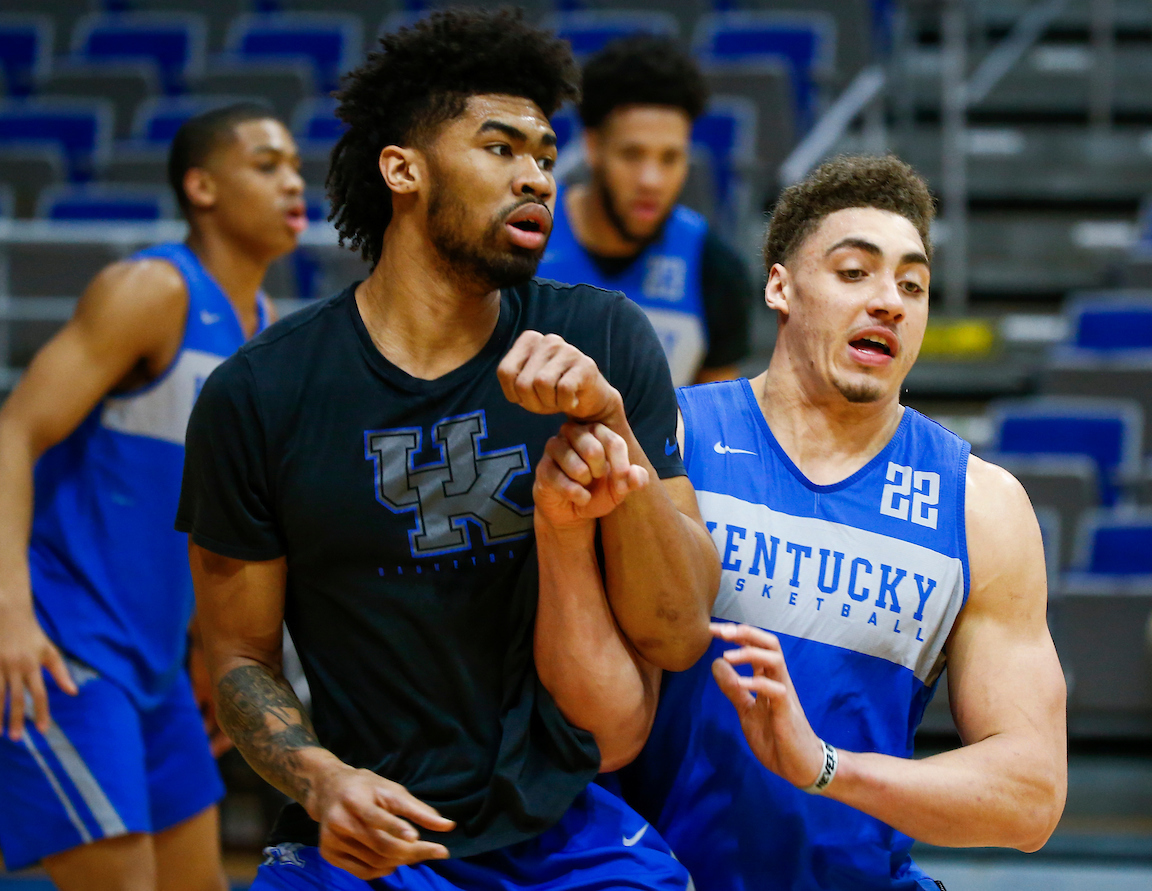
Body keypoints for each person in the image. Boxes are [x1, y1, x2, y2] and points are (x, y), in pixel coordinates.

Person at [174, 10, 718, 891]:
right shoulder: (257, 394)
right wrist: (321, 778)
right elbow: (238, 656)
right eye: (500, 149)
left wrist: (614, 428)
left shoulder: (602, 340)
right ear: (403, 170)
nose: (535, 176)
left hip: (566, 826)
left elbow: (682, 628)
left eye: (544, 154)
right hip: (367, 834)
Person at [566, 155, 1068, 890]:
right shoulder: (669, 437)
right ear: (780, 286)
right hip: (650, 874)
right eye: (854, 272)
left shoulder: (979, 504)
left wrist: (826, 767)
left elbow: (1031, 794)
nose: (890, 301)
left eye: (912, 284)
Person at [0, 103, 308, 890]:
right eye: (265, 163)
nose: (293, 181)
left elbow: (214, 517)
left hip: (153, 660)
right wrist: (11, 609)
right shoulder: (148, 288)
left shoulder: (262, 329)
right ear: (202, 185)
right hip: (59, 641)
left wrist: (210, 647)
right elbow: (7, 439)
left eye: (294, 164)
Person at [537, 34, 754, 387]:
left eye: (670, 157)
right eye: (632, 155)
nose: (651, 180)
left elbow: (712, 427)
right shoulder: (524, 236)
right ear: (592, 147)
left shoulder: (715, 270)